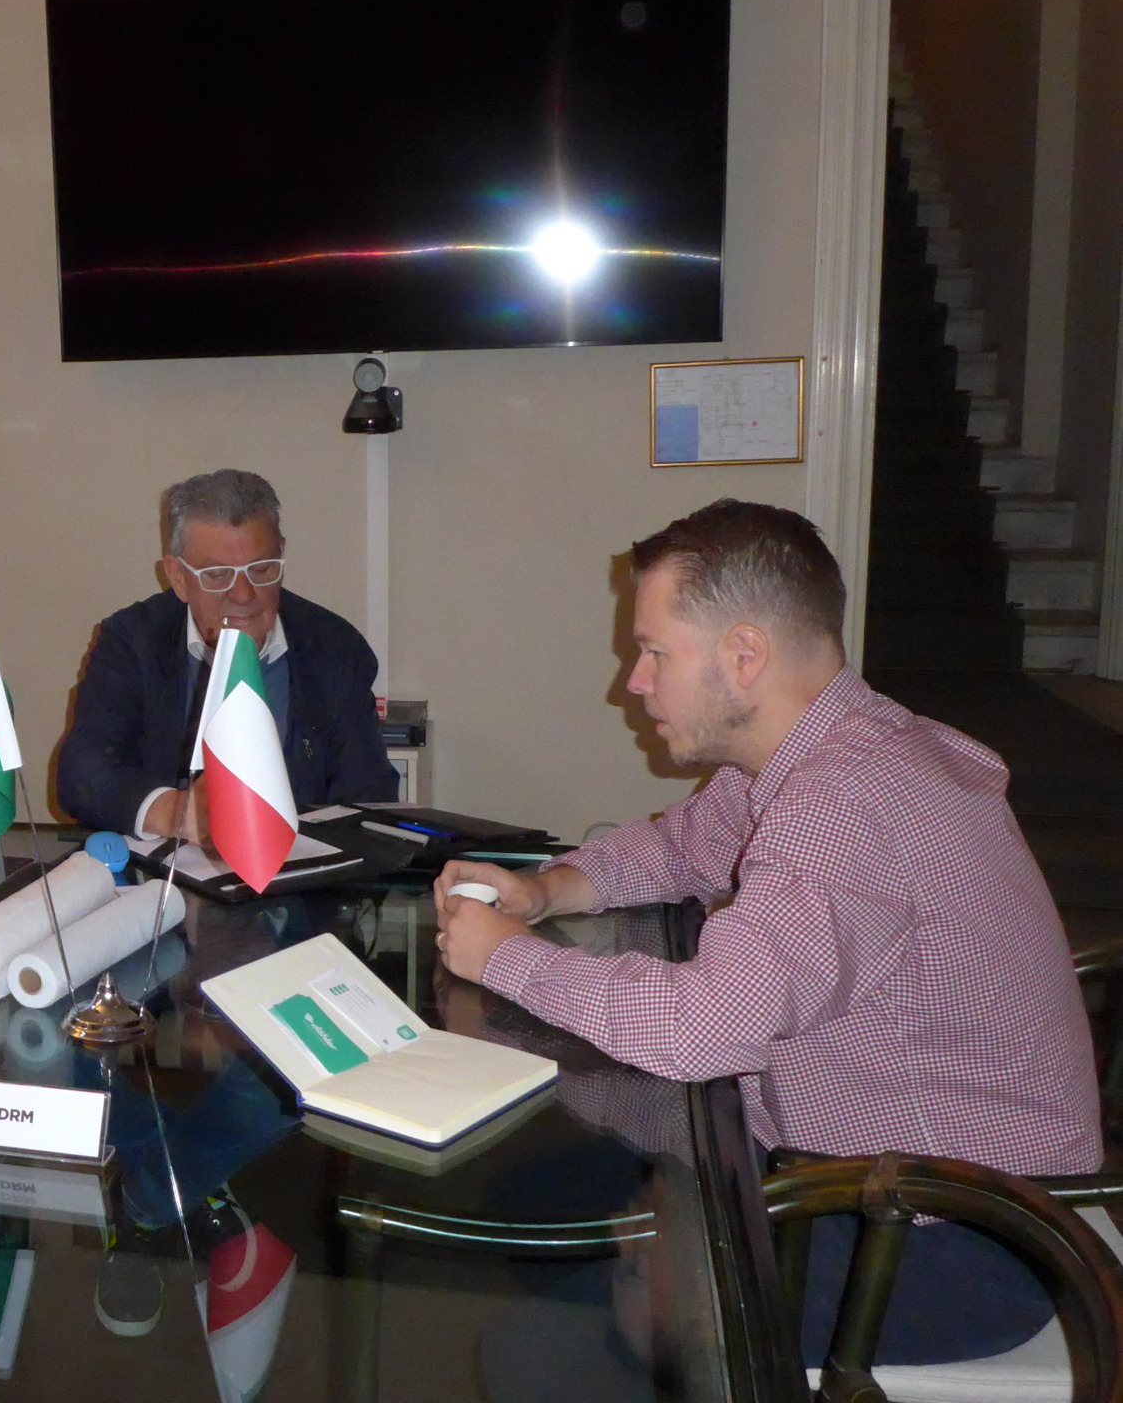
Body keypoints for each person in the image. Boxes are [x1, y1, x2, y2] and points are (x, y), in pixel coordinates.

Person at [433, 498, 1104, 1367]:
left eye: (654, 652)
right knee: (525, 1200)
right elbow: (680, 846)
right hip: (854, 1160)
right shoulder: (826, 750)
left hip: (955, 1233)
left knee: (537, 1354)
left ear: (744, 655)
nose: (632, 682)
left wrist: (508, 958)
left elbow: (703, 1028)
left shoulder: (843, 803)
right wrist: (546, 889)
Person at [56, 469, 395, 836]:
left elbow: (369, 791)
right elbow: (84, 773)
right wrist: (176, 814)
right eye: (218, 575)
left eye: (261, 569)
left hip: (298, 864)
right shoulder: (133, 641)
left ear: (281, 555)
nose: (244, 594)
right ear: (178, 577)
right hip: (166, 866)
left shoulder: (335, 647)